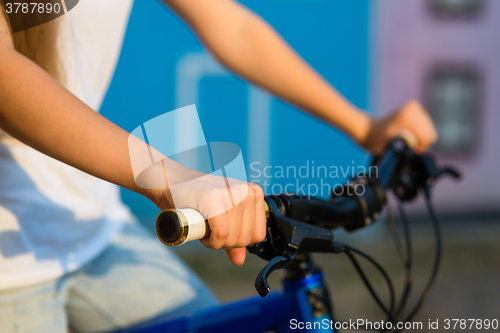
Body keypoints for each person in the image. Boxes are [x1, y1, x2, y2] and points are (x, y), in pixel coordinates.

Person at [0, 0, 437, 332]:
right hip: (10, 262)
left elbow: (232, 26)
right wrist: (173, 180)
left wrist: (364, 126)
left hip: (91, 224)